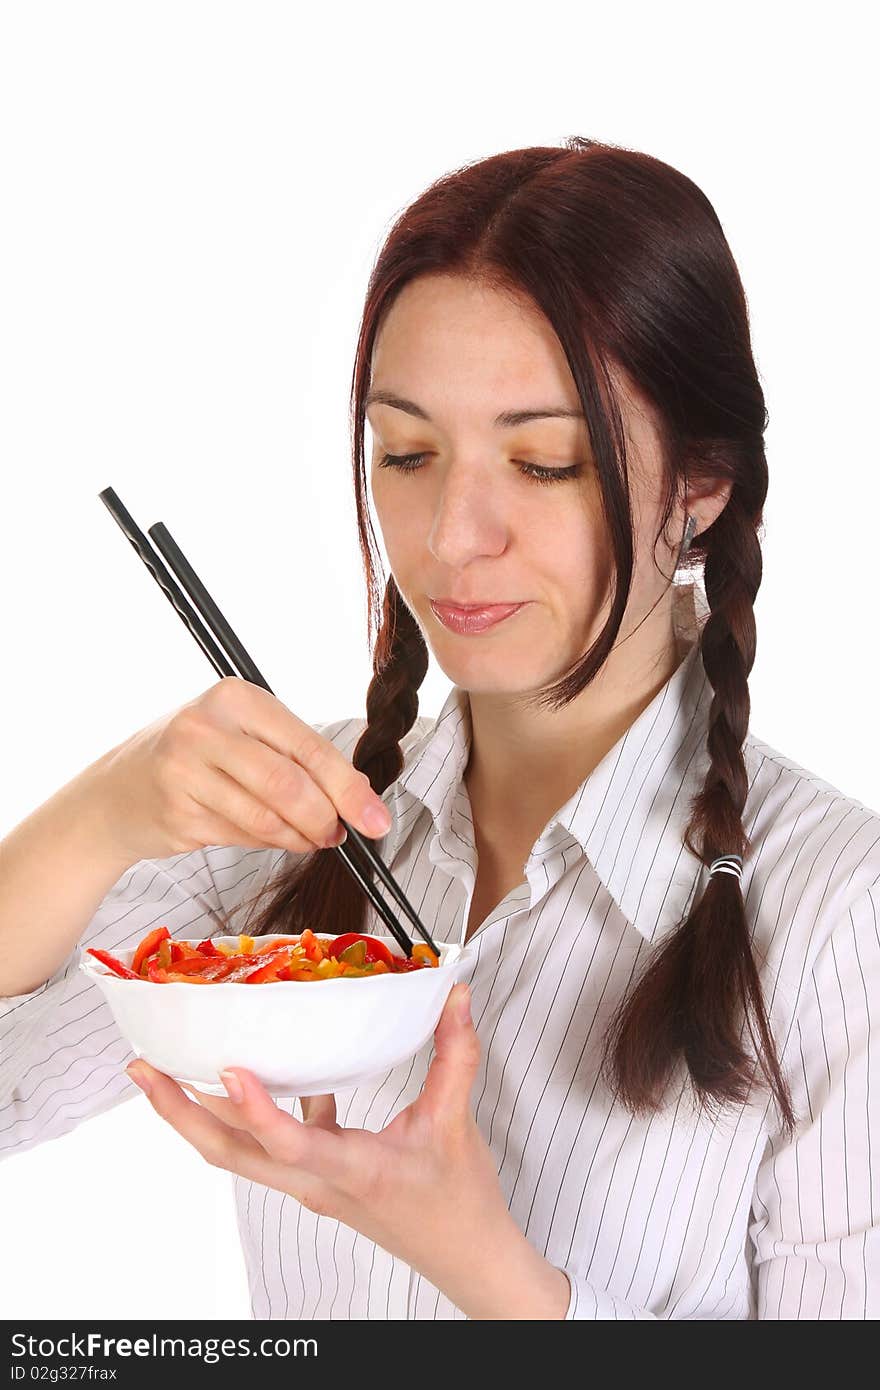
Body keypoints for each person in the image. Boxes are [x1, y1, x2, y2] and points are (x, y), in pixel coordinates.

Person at [1, 137, 878, 1320]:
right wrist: (102, 810)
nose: (452, 535)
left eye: (545, 461)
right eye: (405, 452)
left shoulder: (837, 915)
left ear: (703, 485)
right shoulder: (284, 823)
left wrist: (488, 1268)